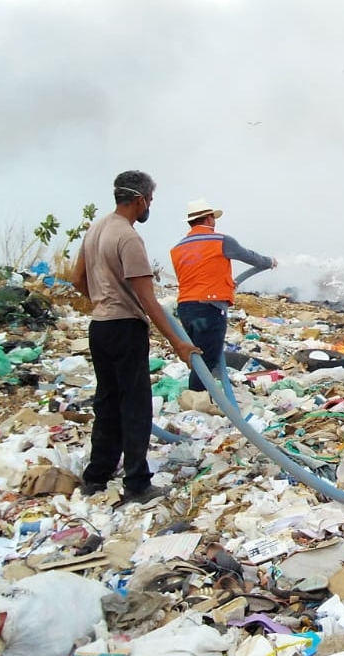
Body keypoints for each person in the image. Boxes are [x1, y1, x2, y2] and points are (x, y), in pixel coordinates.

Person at [70, 171, 201, 505]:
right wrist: (178, 343)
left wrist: (101, 300)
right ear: (140, 199)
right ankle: (138, 484)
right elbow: (147, 300)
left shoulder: (96, 228)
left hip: (99, 327)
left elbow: (76, 279)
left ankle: (96, 477)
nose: (150, 206)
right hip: (125, 328)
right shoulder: (128, 238)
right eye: (151, 200)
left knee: (107, 402)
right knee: (136, 407)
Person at [169, 199, 277, 392]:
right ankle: (196, 401)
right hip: (209, 307)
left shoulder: (178, 248)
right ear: (209, 218)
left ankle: (200, 396)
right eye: (213, 218)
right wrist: (269, 261)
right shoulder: (220, 241)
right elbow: (250, 257)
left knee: (197, 355)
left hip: (186, 307)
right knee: (207, 359)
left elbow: (199, 274)